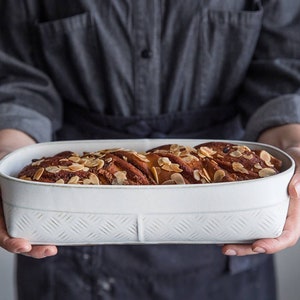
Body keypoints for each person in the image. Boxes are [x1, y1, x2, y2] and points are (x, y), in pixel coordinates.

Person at [1, 1, 300, 299]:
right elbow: (19, 79)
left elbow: (279, 71)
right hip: (65, 227)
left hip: (231, 218)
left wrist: (292, 147)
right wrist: (7, 158)